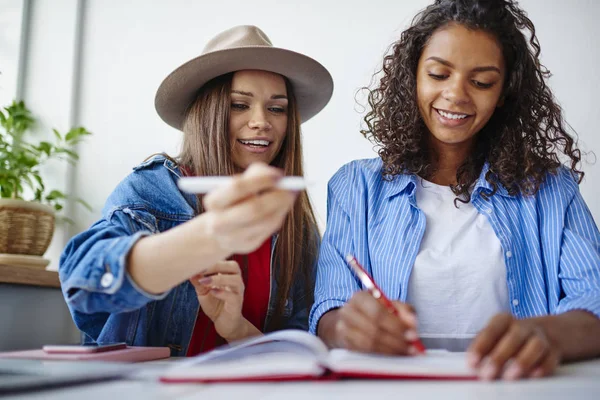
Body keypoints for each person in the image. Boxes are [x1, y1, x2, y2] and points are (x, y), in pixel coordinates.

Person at [310, 0, 600, 381]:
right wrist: (345, 328)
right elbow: (329, 308)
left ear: (505, 93)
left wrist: (548, 334)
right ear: (412, 76)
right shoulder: (356, 188)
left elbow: (594, 301)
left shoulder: (550, 189)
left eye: (481, 82)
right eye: (438, 74)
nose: (457, 94)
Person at [59, 25, 333, 356]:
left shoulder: (294, 223)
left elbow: (302, 349)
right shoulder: (153, 189)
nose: (262, 121)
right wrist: (210, 236)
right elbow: (83, 283)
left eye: (277, 108)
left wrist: (236, 328)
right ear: (208, 113)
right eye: (239, 105)